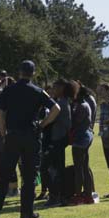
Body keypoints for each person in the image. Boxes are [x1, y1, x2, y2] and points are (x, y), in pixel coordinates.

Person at [0, 60, 60, 218]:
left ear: (19, 72)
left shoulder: (9, 90)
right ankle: (26, 211)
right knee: (29, 175)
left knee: (4, 174)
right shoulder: (38, 91)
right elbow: (56, 109)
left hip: (12, 135)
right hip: (31, 135)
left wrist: (3, 132)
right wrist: (43, 124)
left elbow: (0, 112)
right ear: (33, 73)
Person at [43, 79, 73, 207]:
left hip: (58, 140)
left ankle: (55, 196)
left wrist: (41, 124)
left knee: (45, 168)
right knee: (56, 168)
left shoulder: (61, 104)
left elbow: (50, 120)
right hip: (58, 140)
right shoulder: (62, 102)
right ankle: (59, 196)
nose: (53, 90)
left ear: (61, 89)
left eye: (55, 88)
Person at [70, 85, 95, 205]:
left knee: (79, 168)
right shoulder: (85, 104)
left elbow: (74, 122)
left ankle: (78, 195)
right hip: (86, 137)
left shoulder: (81, 106)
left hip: (80, 138)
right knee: (85, 167)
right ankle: (88, 195)